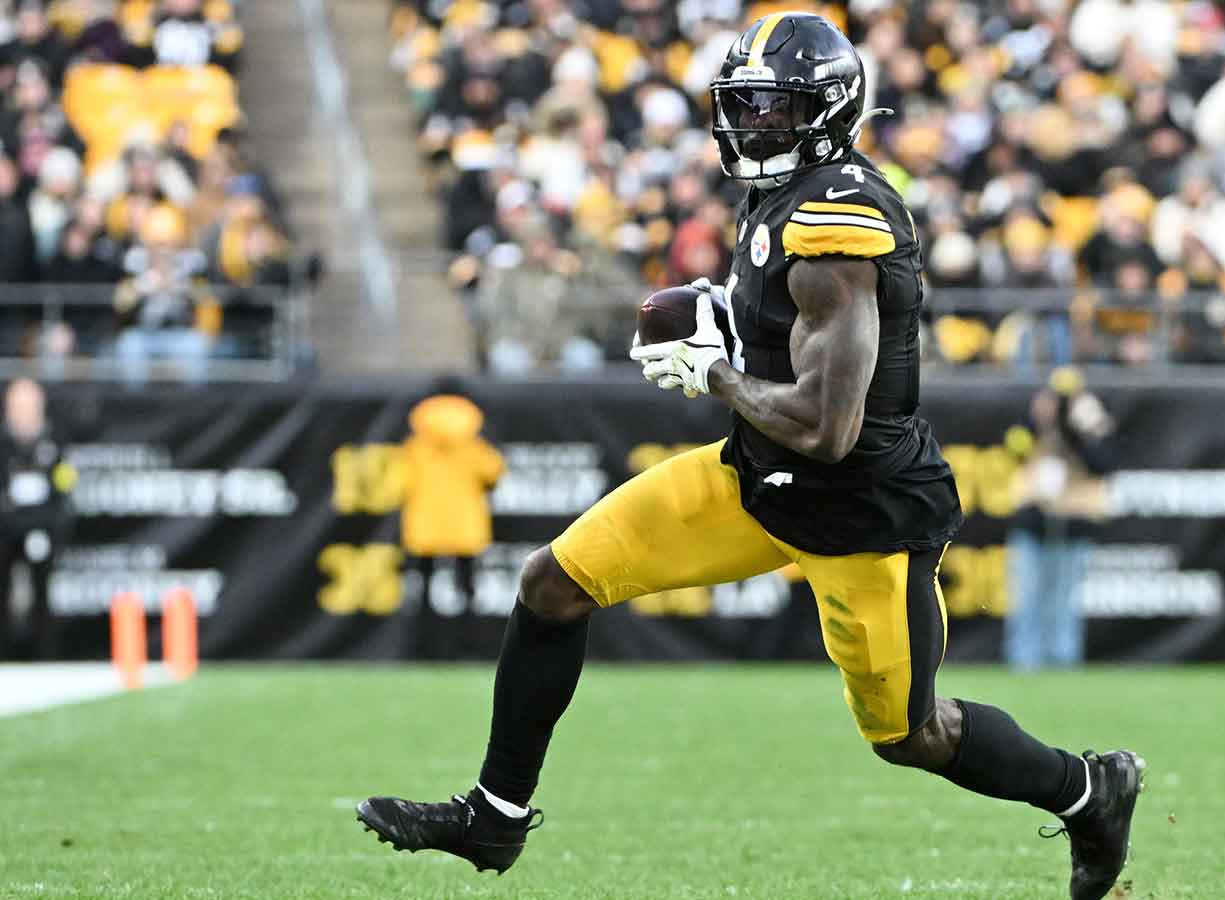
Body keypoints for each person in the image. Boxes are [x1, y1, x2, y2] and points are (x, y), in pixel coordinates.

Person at [356, 15, 1144, 900]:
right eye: (741, 104)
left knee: (909, 734)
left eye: (769, 106)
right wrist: (728, 322)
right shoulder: (781, 195)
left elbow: (827, 428)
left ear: (826, 109)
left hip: (857, 511)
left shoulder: (836, 225)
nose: (748, 123)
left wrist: (717, 372)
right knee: (554, 582)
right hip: (757, 479)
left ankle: (1091, 791)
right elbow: (787, 346)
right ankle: (493, 819)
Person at [1005, 369, 1114, 670]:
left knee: (1063, 602)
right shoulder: (1031, 422)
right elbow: (1013, 447)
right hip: (1033, 522)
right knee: (1027, 599)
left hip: (1073, 525)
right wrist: (1038, 420)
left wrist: (1085, 426)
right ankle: (1024, 662)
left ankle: (1063, 662)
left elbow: (1103, 463)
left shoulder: (1090, 424)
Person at [399, 392, 504, 657]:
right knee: (467, 590)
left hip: (425, 527)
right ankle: (468, 648)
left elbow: (398, 482)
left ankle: (422, 649)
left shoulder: (415, 447)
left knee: (423, 593)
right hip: (465, 527)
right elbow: (495, 472)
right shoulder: (474, 447)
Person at [0, 378, 74, 659]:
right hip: (6, 530)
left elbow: (64, 488)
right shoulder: (3, 443)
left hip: (43, 528)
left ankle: (45, 657)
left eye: (29, 405)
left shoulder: (54, 441)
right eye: (18, 405)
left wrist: (47, 525)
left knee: (43, 596)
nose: (23, 411)